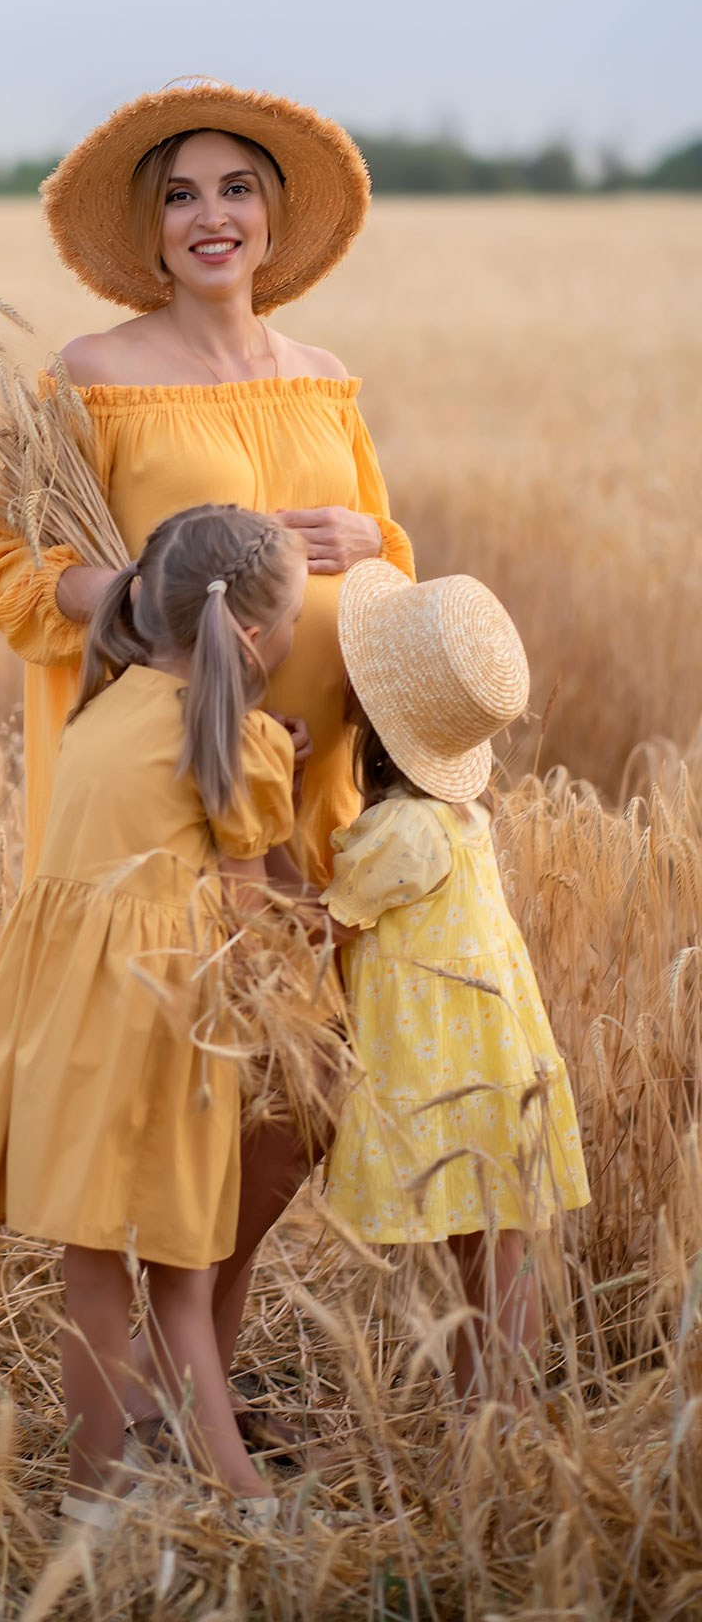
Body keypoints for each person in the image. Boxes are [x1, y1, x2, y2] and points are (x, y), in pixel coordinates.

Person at [0, 79, 416, 1440]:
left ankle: (195, 1373)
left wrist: (369, 541)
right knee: (181, 1096)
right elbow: (10, 571)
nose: (209, 216)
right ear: (151, 232)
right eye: (179, 196)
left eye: (234, 190)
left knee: (294, 1101)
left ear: (270, 219)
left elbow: (394, 579)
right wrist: (145, 593)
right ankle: (177, 1414)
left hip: (311, 792)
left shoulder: (322, 377)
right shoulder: (95, 376)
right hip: (176, 800)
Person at [0, 504, 308, 1523]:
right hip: (167, 1027)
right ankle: (241, 1501)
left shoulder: (96, 712)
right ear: (254, 640)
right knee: (182, 1273)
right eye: (296, 621)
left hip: (66, 1023)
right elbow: (248, 922)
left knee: (91, 1267)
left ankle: (94, 1498)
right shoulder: (238, 742)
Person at [321, 561, 591, 1404]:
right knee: (499, 1249)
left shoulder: (401, 831)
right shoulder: (462, 816)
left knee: (487, 1253)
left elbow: (321, 926)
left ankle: (494, 1422)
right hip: (496, 1060)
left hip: (446, 1073)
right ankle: (501, 1422)